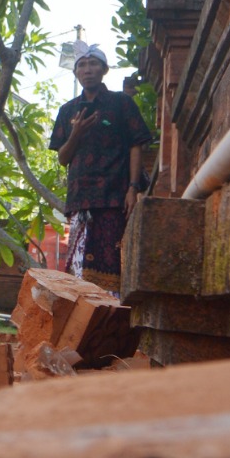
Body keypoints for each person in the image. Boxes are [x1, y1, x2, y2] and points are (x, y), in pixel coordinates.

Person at [48, 42, 152, 292]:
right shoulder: (68, 110)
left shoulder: (121, 103)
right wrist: (76, 134)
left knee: (114, 265)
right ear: (75, 73)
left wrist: (133, 188)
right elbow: (62, 158)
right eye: (81, 65)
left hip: (114, 198)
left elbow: (136, 145)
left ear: (104, 69)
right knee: (79, 268)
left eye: (93, 64)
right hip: (80, 201)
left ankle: (113, 320)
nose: (87, 70)